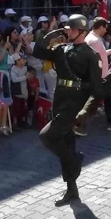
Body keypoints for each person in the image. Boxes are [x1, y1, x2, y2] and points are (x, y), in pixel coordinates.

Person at [33, 14, 106, 207]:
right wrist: (52, 33)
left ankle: (74, 160)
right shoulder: (61, 49)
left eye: (72, 29)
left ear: (81, 31)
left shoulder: (91, 55)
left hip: (75, 103)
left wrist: (86, 111)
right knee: (66, 143)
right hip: (60, 99)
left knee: (47, 136)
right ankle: (72, 190)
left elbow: (96, 89)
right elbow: (38, 51)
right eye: (68, 29)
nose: (68, 32)